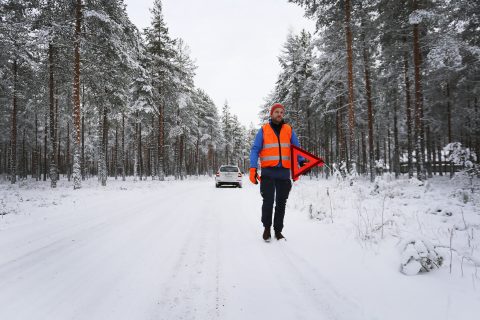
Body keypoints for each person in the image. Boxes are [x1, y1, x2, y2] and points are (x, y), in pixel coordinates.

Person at [249, 103, 304, 241]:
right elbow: (255, 149)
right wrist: (252, 168)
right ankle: (267, 228)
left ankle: (278, 231)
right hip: (268, 172)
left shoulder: (288, 130)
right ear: (271, 113)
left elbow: (296, 147)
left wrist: (301, 161)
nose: (279, 114)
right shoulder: (264, 130)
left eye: (281, 112)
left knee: (281, 203)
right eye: (277, 112)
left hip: (284, 172)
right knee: (268, 201)